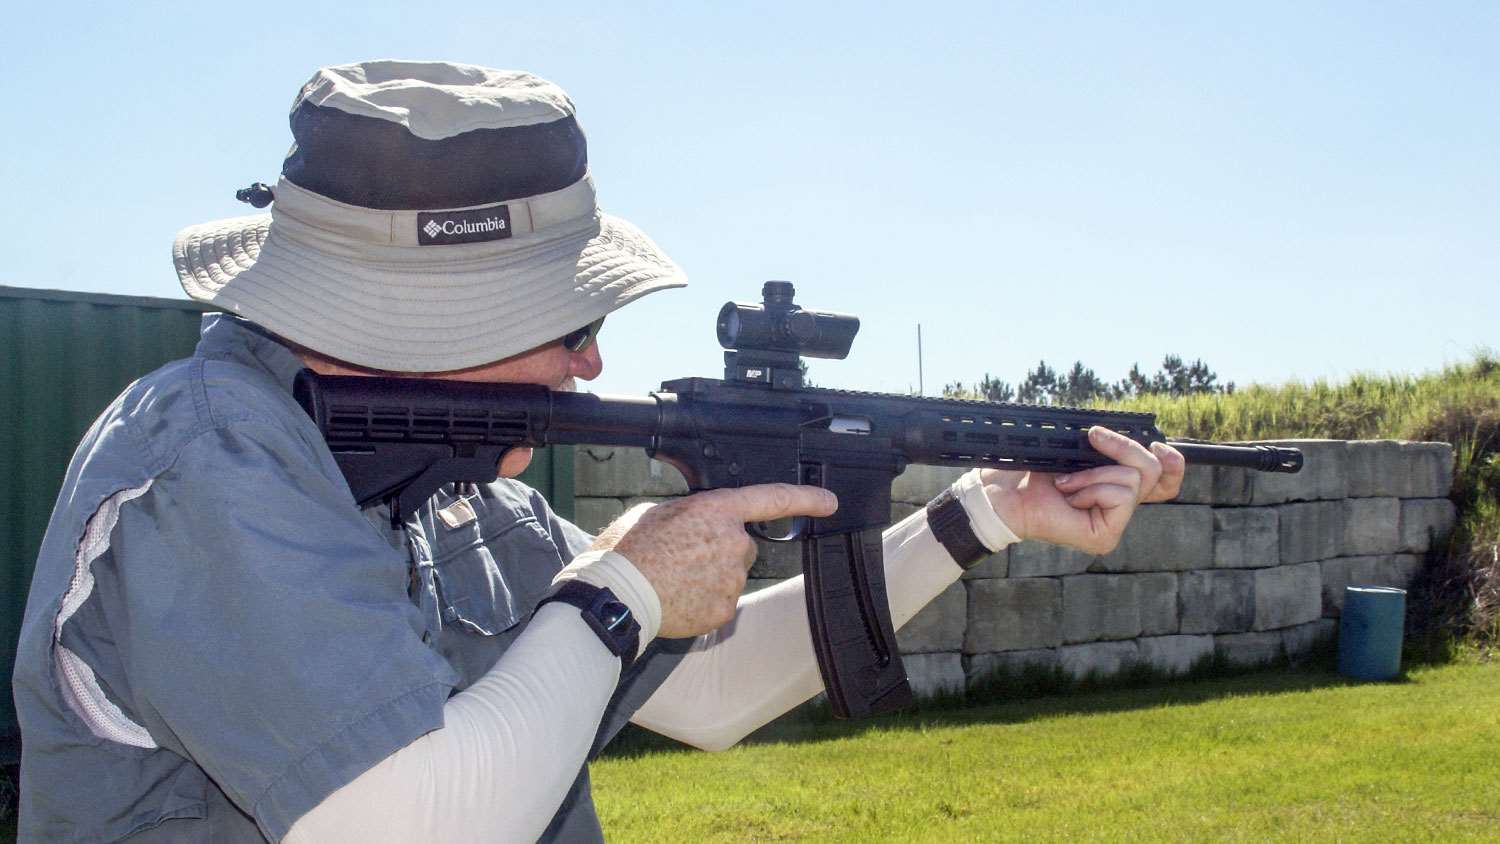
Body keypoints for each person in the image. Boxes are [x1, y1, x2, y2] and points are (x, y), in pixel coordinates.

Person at [13, 60, 1184, 843]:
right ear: (428, 321)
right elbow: (407, 824)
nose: (586, 364)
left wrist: (982, 512)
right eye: (570, 323)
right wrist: (621, 587)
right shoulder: (212, 455)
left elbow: (718, 689)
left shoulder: (454, 500)